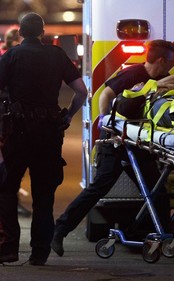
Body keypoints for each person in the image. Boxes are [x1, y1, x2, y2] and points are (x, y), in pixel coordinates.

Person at [51, 39, 174, 257]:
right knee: (97, 189)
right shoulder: (134, 74)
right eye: (170, 62)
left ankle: (162, 235)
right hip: (116, 143)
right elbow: (106, 94)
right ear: (161, 60)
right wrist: (109, 124)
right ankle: (60, 230)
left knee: (156, 191)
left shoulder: (162, 80)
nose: (171, 67)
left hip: (139, 145)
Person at [0, 12, 87, 265]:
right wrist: (69, 114)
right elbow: (81, 91)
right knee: (44, 194)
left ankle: (8, 249)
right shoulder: (57, 55)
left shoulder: (11, 56)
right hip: (49, 134)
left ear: (20, 33)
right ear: (43, 32)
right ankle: (39, 253)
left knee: (6, 190)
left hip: (16, 133)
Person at [0, 27, 32, 217]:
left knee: (9, 163)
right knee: (9, 163)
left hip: (8, 115)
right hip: (6, 116)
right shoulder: (10, 57)